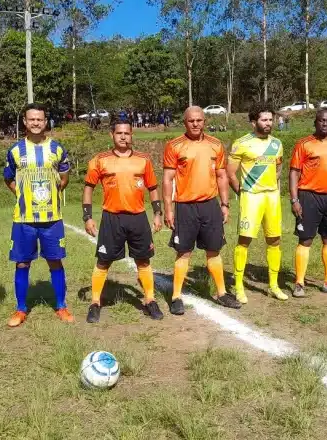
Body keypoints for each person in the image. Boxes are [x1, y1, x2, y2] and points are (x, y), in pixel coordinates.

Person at [82, 119, 164, 323]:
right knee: (103, 261)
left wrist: (157, 213)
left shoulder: (143, 160)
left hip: (138, 218)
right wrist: (87, 217)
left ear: (131, 135)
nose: (123, 137)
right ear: (112, 135)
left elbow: (153, 188)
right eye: (119, 133)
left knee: (143, 260)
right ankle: (95, 303)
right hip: (112, 218)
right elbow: (88, 188)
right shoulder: (100, 160)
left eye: (127, 133)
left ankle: (150, 300)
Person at [163, 106, 242, 314]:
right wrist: (168, 209)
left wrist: (224, 204)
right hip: (185, 207)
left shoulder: (215, 145)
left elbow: (222, 176)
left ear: (204, 122)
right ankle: (176, 296)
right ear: (185, 122)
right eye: (191, 121)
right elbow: (168, 179)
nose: (195, 124)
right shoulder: (174, 146)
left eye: (199, 120)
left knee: (214, 250)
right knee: (184, 252)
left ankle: (222, 293)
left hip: (210, 205)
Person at [3, 103, 74, 326]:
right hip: (24, 219)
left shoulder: (57, 149)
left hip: (52, 219)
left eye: (39, 119)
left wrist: (52, 194)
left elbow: (64, 178)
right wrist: (21, 194)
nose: (36, 123)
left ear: (45, 122)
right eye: (31, 119)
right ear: (25, 122)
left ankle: (61, 306)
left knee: (55, 261)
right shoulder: (15, 151)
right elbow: (8, 178)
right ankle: (21, 309)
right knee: (22, 264)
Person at [288, 109, 327, 298]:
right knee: (306, 239)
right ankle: (299, 283)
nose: (325, 123)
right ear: (315, 122)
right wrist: (294, 199)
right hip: (308, 197)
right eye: (321, 120)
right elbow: (294, 172)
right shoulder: (304, 144)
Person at [226, 104, 286, 303]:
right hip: (251, 197)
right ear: (254, 122)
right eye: (264, 120)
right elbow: (230, 173)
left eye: (270, 119)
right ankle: (239, 286)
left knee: (274, 240)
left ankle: (274, 285)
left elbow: (278, 168)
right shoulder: (241, 144)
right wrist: (242, 192)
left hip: (272, 197)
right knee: (244, 240)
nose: (269, 123)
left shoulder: (277, 143)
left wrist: (272, 185)